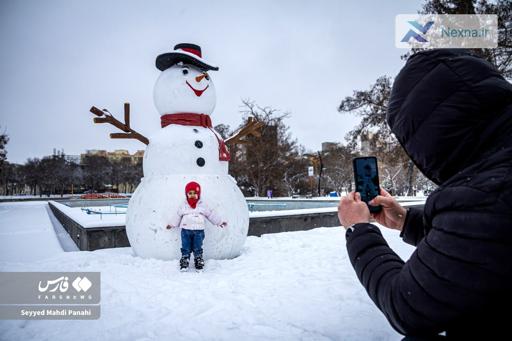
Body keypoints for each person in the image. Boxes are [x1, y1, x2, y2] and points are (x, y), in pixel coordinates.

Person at [337, 49, 512, 339]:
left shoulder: (487, 193)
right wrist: (406, 221)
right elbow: (483, 244)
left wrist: (358, 229)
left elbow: (407, 305)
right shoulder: (495, 177)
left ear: (428, 134)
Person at [167, 181, 227, 271]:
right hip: (185, 230)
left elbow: (210, 214)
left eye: (194, 193)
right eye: (190, 193)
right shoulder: (183, 206)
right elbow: (177, 215)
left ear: (198, 194)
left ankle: (198, 259)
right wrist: (171, 224)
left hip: (199, 231)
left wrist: (219, 222)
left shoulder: (202, 205)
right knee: (185, 246)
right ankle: (185, 259)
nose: (192, 195)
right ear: (186, 194)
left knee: (197, 247)